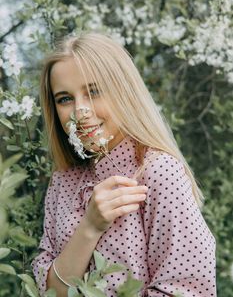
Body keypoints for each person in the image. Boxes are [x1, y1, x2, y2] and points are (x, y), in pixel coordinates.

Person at [32, 32, 216, 297]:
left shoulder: (158, 172)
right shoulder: (63, 180)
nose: (80, 111)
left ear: (123, 91)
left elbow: (188, 290)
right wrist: (90, 226)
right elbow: (48, 291)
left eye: (93, 92)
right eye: (64, 98)